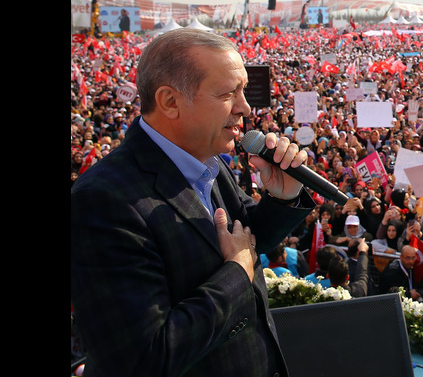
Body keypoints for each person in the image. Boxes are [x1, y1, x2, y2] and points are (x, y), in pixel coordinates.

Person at [71, 28, 315, 376]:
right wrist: (237, 274)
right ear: (170, 102)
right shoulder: (104, 200)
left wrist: (283, 195)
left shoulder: (206, 162)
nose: (245, 107)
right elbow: (144, 358)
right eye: (229, 93)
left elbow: (245, 235)